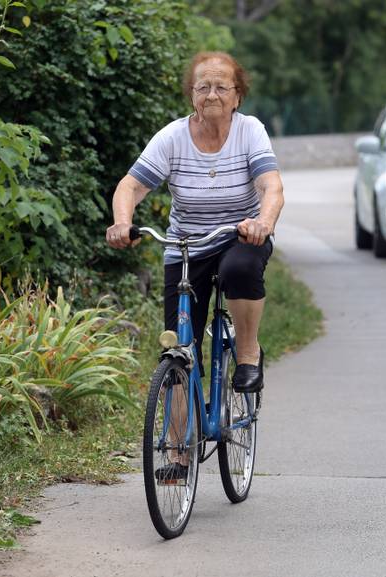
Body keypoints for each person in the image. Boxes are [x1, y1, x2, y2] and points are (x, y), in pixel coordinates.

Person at [106, 52, 284, 478]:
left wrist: (263, 221)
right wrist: (122, 222)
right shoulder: (172, 138)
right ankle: (177, 453)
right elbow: (131, 185)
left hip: (240, 236)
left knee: (241, 270)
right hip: (186, 246)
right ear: (192, 94)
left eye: (222, 86)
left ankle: (246, 353)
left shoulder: (250, 132)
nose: (212, 94)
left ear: (238, 95)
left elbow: (270, 185)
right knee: (178, 350)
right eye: (203, 86)